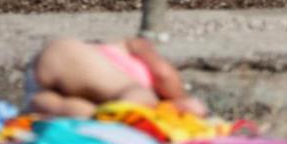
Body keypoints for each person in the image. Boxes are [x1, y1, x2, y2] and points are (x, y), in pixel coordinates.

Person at [25, 37, 207, 118]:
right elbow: (163, 73)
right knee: (136, 94)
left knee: (92, 114)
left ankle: (48, 105)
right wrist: (180, 97)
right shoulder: (134, 46)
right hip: (69, 55)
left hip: (51, 73)